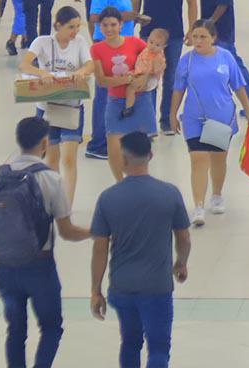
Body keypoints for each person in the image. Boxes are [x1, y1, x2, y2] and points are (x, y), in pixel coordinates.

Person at [0, 116, 91, 368]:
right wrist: (94, 232)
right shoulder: (50, 179)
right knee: (51, 327)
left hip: (5, 268)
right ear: (44, 143)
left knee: (15, 330)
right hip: (40, 268)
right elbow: (67, 231)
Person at [89, 131, 191, 368]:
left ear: (123, 159)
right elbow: (184, 238)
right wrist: (181, 263)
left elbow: (99, 249)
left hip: (122, 286)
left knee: (130, 342)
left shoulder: (108, 198)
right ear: (151, 155)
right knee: (158, 348)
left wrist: (96, 290)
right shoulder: (169, 193)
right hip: (157, 286)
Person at [169, 19, 249, 226]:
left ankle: (216, 194)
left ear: (213, 38)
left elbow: (238, 85)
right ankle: (198, 206)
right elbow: (178, 89)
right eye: (195, 36)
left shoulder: (225, 57)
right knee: (198, 159)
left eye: (203, 37)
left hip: (220, 117)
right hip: (194, 118)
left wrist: (248, 109)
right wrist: (172, 114)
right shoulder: (186, 61)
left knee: (218, 159)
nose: (198, 41)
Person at [19, 6, 95, 211]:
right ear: (58, 25)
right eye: (71, 27)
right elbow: (24, 65)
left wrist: (81, 71)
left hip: (72, 106)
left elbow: (90, 65)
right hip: (47, 107)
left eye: (77, 27)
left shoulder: (80, 42)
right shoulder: (42, 42)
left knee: (69, 159)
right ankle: (53, 201)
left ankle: (66, 206)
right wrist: (42, 73)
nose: (75, 31)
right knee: (51, 158)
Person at [131, 0, 197, 134]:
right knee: (147, 77)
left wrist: (192, 28)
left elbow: (191, 1)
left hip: (173, 35)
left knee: (170, 78)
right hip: (148, 37)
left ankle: (167, 119)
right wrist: (136, 19)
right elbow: (135, 3)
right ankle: (148, 120)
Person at [86, 0, 145, 160]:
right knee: (105, 94)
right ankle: (98, 143)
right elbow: (94, 16)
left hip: (122, 46)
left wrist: (133, 18)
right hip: (107, 47)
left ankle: (114, 138)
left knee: (118, 94)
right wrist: (125, 16)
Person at [91, 7, 157, 183]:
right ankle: (120, 183)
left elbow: (153, 57)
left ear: (121, 25)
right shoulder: (96, 49)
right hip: (115, 101)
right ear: (100, 26)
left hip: (140, 99)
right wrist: (126, 79)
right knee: (113, 147)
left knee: (142, 147)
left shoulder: (135, 42)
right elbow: (101, 81)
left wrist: (145, 76)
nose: (109, 29)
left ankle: (142, 180)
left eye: (113, 24)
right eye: (105, 25)